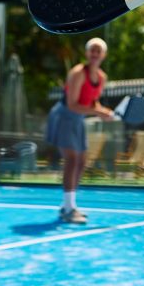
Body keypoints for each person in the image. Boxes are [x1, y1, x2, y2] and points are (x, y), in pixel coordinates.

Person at [44, 37, 115, 224]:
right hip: (64, 116)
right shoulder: (77, 73)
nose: (95, 54)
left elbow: (92, 101)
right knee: (72, 159)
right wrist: (98, 112)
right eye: (92, 50)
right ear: (87, 53)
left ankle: (69, 205)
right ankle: (68, 209)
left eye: (98, 51)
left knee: (82, 161)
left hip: (78, 119)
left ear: (103, 55)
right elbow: (72, 104)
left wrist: (103, 111)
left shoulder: (102, 78)